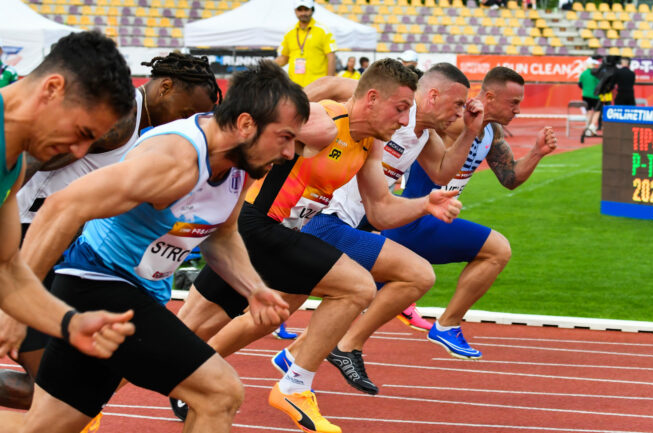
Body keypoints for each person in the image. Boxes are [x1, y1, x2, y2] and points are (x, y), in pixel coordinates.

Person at [8, 59, 306, 433]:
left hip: (131, 295)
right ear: (246, 124)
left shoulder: (240, 167)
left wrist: (254, 288)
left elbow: (222, 235)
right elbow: (62, 206)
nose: (290, 153)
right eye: (285, 137)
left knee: (48, 426)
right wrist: (17, 310)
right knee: (220, 393)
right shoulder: (174, 159)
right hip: (99, 284)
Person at [174, 59, 462, 433]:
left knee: (184, 335)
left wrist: (424, 204)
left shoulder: (370, 146)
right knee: (355, 286)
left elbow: (381, 209)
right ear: (372, 98)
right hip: (253, 224)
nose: (406, 120)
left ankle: (91, 401)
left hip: (266, 235)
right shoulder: (325, 121)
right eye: (401, 108)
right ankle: (294, 385)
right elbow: (263, 119)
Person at [0, 52, 222, 423]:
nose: (186, 123)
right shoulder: (120, 120)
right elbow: (33, 160)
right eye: (186, 111)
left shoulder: (153, 131)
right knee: (52, 388)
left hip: (61, 239)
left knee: (56, 389)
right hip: (32, 231)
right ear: (165, 87)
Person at [274, 63, 483, 396]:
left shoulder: (424, 136)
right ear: (431, 95)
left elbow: (443, 171)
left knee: (270, 311)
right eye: (458, 105)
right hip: (325, 216)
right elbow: (332, 83)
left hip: (350, 219)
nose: (460, 113)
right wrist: (278, 118)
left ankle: (295, 356)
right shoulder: (390, 106)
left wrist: (471, 131)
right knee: (411, 276)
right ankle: (332, 354)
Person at [382, 66, 558, 361]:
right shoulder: (449, 120)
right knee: (497, 250)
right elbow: (417, 114)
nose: (518, 110)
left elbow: (510, 178)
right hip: (414, 218)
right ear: (489, 96)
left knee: (344, 294)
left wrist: (537, 152)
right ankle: (447, 325)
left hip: (428, 220)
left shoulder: (491, 131)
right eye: (513, 102)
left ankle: (297, 354)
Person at [0, 30, 137, 368]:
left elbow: (7, 268)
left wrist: (70, 322)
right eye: (82, 133)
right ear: (52, 89)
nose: (78, 152)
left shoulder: (14, 165)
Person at [275, 0, 337, 87]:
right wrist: (266, 66)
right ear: (295, 11)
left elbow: (331, 58)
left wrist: (329, 83)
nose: (303, 13)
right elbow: (284, 58)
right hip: (294, 86)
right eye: (300, 10)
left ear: (312, 10)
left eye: (306, 9)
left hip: (317, 86)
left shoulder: (323, 30)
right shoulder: (289, 32)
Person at [578, 57, 601, 138]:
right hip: (595, 95)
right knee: (597, 111)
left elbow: (580, 84)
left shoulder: (583, 73)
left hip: (585, 95)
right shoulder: (595, 73)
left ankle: (588, 126)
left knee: (588, 111)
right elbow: (599, 84)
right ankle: (592, 126)